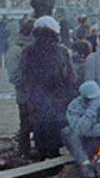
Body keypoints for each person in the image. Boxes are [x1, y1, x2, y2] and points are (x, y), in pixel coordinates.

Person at [21, 17, 77, 158]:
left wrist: (29, 95)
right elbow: (70, 75)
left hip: (37, 95)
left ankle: (42, 152)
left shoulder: (28, 50)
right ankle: (54, 152)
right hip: (58, 95)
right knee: (56, 124)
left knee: (40, 124)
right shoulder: (61, 50)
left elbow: (24, 74)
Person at [61, 81, 100, 178]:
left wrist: (90, 131)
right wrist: (90, 112)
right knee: (67, 132)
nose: (96, 100)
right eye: (92, 99)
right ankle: (85, 164)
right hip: (83, 143)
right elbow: (78, 129)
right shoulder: (73, 107)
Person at [6, 20, 33, 155]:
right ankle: (24, 152)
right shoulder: (16, 50)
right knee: (26, 126)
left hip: (38, 95)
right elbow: (13, 76)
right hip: (25, 95)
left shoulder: (36, 47)